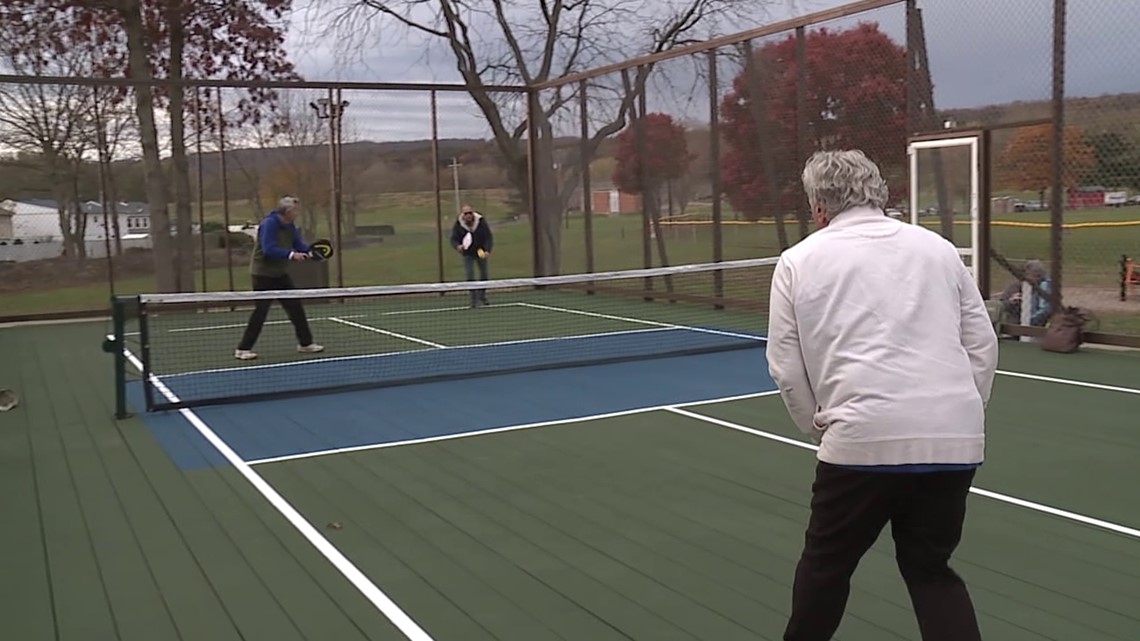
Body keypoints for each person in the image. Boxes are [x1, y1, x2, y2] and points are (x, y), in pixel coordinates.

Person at [766, 150, 999, 641]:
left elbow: (786, 366)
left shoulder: (798, 260)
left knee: (826, 568)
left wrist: (818, 426)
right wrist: (962, 411)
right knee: (931, 569)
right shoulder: (938, 249)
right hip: (953, 442)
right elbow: (981, 342)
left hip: (859, 444)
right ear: (879, 192)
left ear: (819, 206)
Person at [234, 196, 325, 360]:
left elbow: (299, 245)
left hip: (279, 274)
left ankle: (305, 344)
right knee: (261, 311)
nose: (298, 213)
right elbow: (269, 249)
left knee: (295, 307)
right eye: (296, 210)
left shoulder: (290, 226)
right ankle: (243, 349)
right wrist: (291, 255)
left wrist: (311, 252)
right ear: (288, 211)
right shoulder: (269, 224)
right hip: (262, 274)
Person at [450, 204, 494, 307]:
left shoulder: (481, 222)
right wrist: (458, 246)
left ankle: (481, 296)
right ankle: (473, 299)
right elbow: (453, 239)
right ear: (463, 215)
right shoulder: (458, 224)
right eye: (466, 213)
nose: (469, 215)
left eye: (470, 213)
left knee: (484, 274)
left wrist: (487, 250)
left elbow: (488, 237)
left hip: (480, 250)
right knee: (470, 275)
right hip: (468, 253)